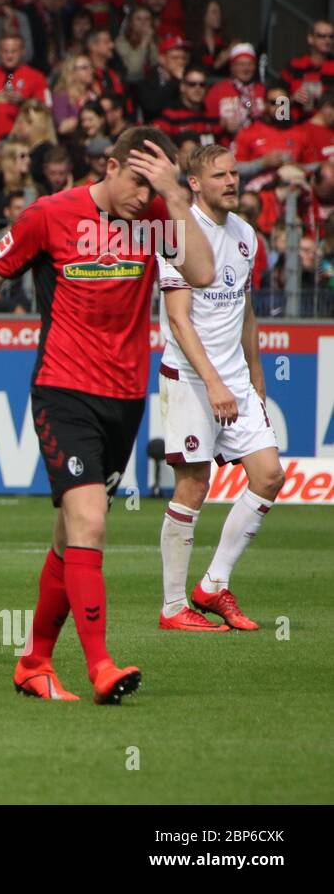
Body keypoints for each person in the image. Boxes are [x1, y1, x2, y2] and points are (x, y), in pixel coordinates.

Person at [0, 126, 216, 704]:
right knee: (89, 522)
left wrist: (177, 197)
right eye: (136, 180)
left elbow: (203, 273)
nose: (142, 194)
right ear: (108, 167)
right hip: (63, 391)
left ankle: (33, 662)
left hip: (125, 401)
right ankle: (101, 665)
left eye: (152, 183)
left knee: (68, 538)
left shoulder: (159, 216)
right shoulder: (49, 216)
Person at [157, 144, 283, 633]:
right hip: (191, 378)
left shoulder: (245, 234)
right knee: (193, 485)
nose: (231, 182)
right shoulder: (178, 235)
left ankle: (212, 584)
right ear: (193, 183)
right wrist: (212, 383)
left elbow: (245, 311)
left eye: (234, 174)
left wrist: (256, 374)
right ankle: (172, 609)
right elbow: (178, 319)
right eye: (219, 176)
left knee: (269, 475)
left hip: (234, 379)